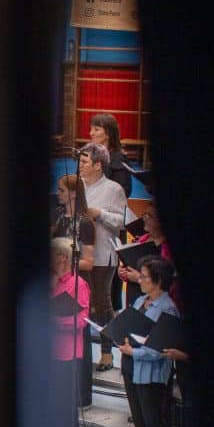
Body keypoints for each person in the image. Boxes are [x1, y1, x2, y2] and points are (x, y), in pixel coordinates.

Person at [117, 255, 180, 427]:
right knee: (140, 422)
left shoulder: (167, 308)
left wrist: (134, 351)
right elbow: (129, 326)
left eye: (144, 277)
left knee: (154, 425)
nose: (140, 280)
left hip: (150, 373)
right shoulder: (140, 300)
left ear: (158, 280)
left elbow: (161, 348)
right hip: (131, 365)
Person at [79, 142, 128, 373]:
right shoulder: (78, 185)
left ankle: (107, 352)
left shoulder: (113, 189)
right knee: (81, 302)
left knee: (101, 304)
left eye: (84, 161)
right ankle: (81, 349)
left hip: (102, 254)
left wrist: (99, 213)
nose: (80, 165)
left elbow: (122, 221)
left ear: (98, 165)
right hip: (79, 252)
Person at [49, 238, 90, 427]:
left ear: (63, 257)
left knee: (66, 400)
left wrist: (55, 321)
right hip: (51, 350)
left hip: (68, 351)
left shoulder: (78, 284)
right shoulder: (52, 282)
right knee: (54, 399)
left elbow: (82, 320)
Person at [89, 113, 133, 197]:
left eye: (96, 129)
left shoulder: (119, 158)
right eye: (91, 129)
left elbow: (123, 191)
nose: (91, 133)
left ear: (108, 134)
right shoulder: (90, 155)